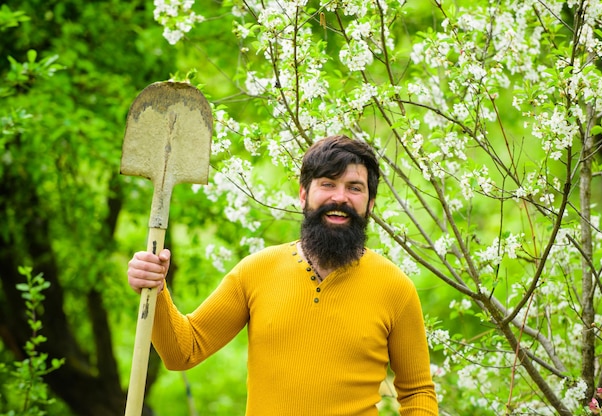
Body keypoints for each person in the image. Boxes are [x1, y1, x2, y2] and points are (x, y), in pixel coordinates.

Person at [127, 135, 439, 415]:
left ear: (370, 204)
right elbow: (184, 351)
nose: (340, 198)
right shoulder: (256, 271)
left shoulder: (396, 288)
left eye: (354, 188)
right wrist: (155, 289)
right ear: (303, 195)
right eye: (328, 184)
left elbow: (418, 393)